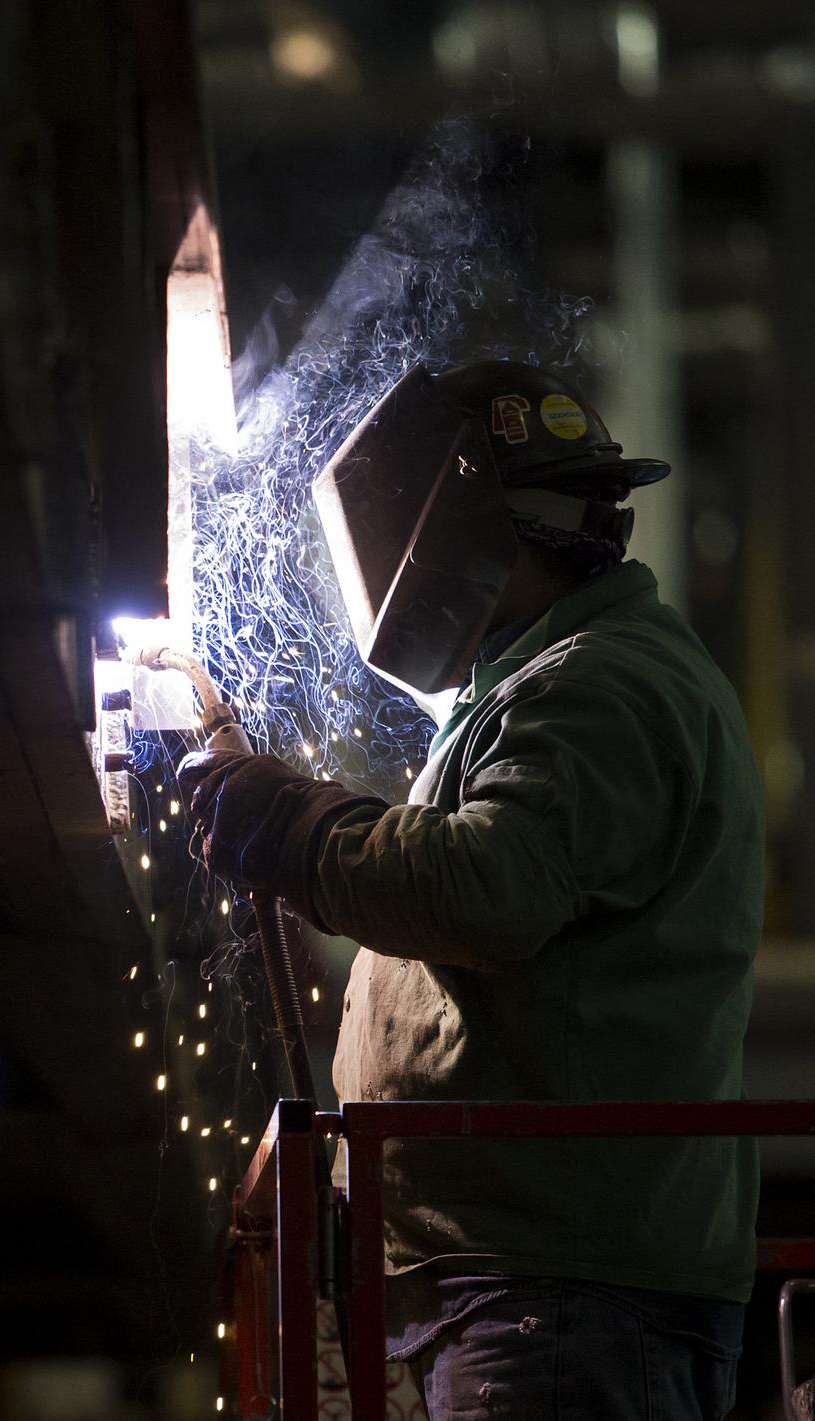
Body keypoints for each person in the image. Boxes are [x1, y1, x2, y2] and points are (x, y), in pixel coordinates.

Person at [177, 360, 763, 1421]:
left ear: (449, 524)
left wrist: (279, 818)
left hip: (558, 1286)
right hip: (533, 1277)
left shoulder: (600, 685)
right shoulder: (555, 682)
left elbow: (482, 887)